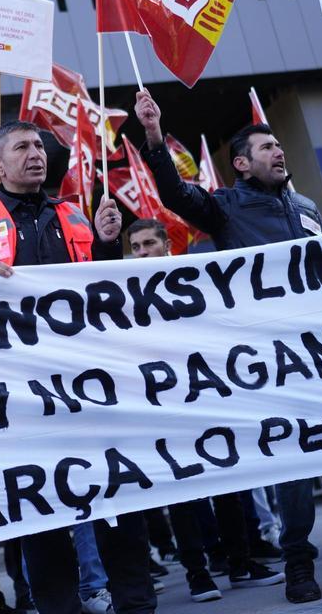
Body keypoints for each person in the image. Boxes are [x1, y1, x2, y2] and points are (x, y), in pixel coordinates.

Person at [134, 91, 322, 604]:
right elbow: (174, 194)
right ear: (241, 164)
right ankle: (298, 562)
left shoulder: (306, 207)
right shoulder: (223, 209)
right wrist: (153, 136)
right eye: (265, 147)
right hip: (274, 362)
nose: (278, 151)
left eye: (279, 145)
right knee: (297, 460)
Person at [0, 120, 155, 614]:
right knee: (42, 511)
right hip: (23, 397)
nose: (36, 153)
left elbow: (102, 289)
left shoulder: (76, 216)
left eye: (39, 145)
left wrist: (108, 243)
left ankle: (136, 603)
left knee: (119, 498)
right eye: (22, 147)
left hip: (91, 385)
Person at [124, 219, 284, 603]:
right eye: (136, 246)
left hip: (207, 395)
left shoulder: (194, 278)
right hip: (164, 405)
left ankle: (241, 563)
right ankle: (198, 573)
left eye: (149, 243)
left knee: (228, 482)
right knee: (184, 491)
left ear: (167, 245)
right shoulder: (124, 292)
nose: (143, 252)